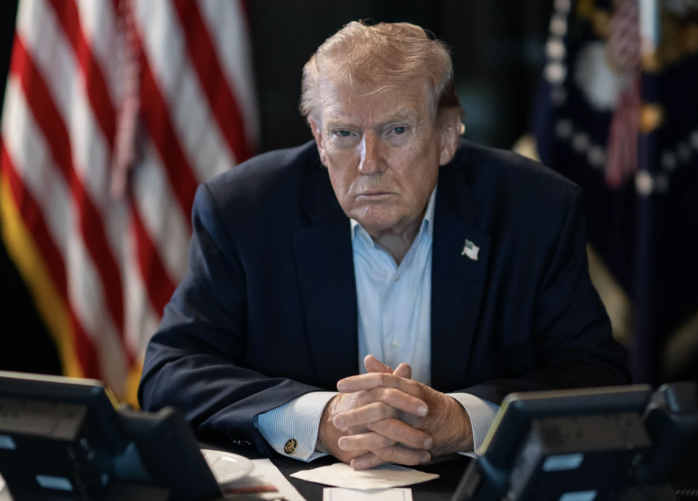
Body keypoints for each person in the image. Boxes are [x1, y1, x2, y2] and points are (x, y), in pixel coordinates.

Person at [139, 21, 629, 470]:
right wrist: (320, 419)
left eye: (396, 130)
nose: (368, 162)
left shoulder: (535, 210)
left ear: (447, 135)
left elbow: (596, 376)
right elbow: (171, 372)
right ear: (319, 139)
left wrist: (464, 420)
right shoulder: (244, 210)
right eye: (344, 133)